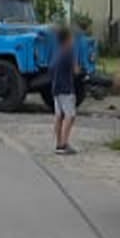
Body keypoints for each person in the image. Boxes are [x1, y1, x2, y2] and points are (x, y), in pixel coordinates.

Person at [50, 27, 79, 155]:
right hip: (66, 88)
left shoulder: (57, 52)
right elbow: (76, 70)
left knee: (58, 115)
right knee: (70, 115)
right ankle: (64, 143)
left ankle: (58, 142)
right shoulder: (68, 52)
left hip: (56, 88)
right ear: (67, 39)